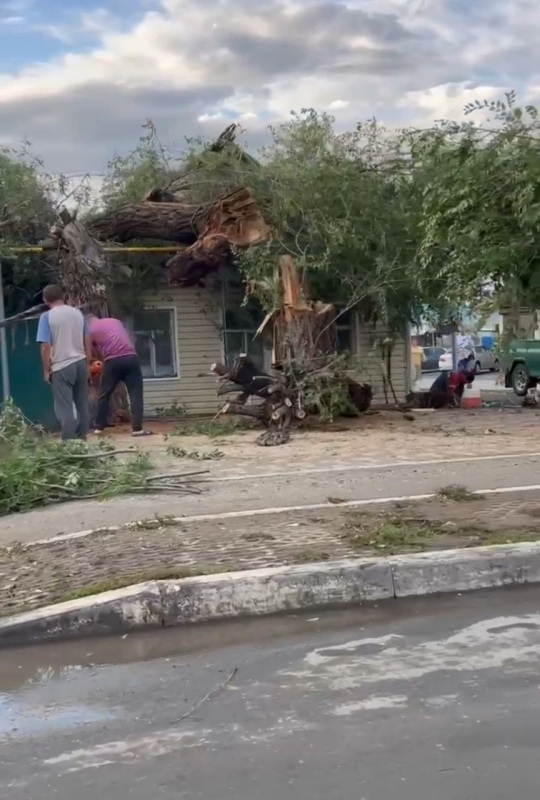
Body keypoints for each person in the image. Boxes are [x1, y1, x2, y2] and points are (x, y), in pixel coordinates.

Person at [83, 309, 152, 437]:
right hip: (131, 357)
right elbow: (126, 338)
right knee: (135, 393)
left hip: (112, 361)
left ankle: (99, 427)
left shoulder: (88, 330)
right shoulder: (115, 321)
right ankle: (137, 429)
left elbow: (92, 354)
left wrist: (92, 366)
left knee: (104, 394)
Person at [36, 284, 91, 441]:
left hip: (61, 365)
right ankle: (82, 440)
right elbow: (87, 337)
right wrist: (88, 361)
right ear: (63, 296)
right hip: (80, 362)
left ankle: (68, 444)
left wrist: (46, 370)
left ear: (45, 300)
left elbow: (45, 346)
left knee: (64, 407)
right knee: (82, 404)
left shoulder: (47, 317)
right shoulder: (78, 313)